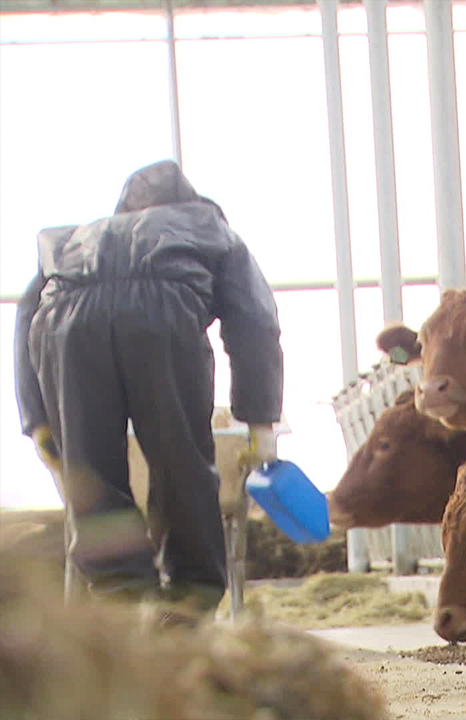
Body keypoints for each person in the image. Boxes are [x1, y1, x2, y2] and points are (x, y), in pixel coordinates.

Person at [13, 160, 284, 618]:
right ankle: (187, 607)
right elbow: (254, 322)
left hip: (66, 323)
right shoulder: (209, 228)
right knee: (182, 465)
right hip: (163, 316)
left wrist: (37, 418)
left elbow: (27, 321)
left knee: (91, 477)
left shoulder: (72, 238)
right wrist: (259, 420)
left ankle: (126, 604)